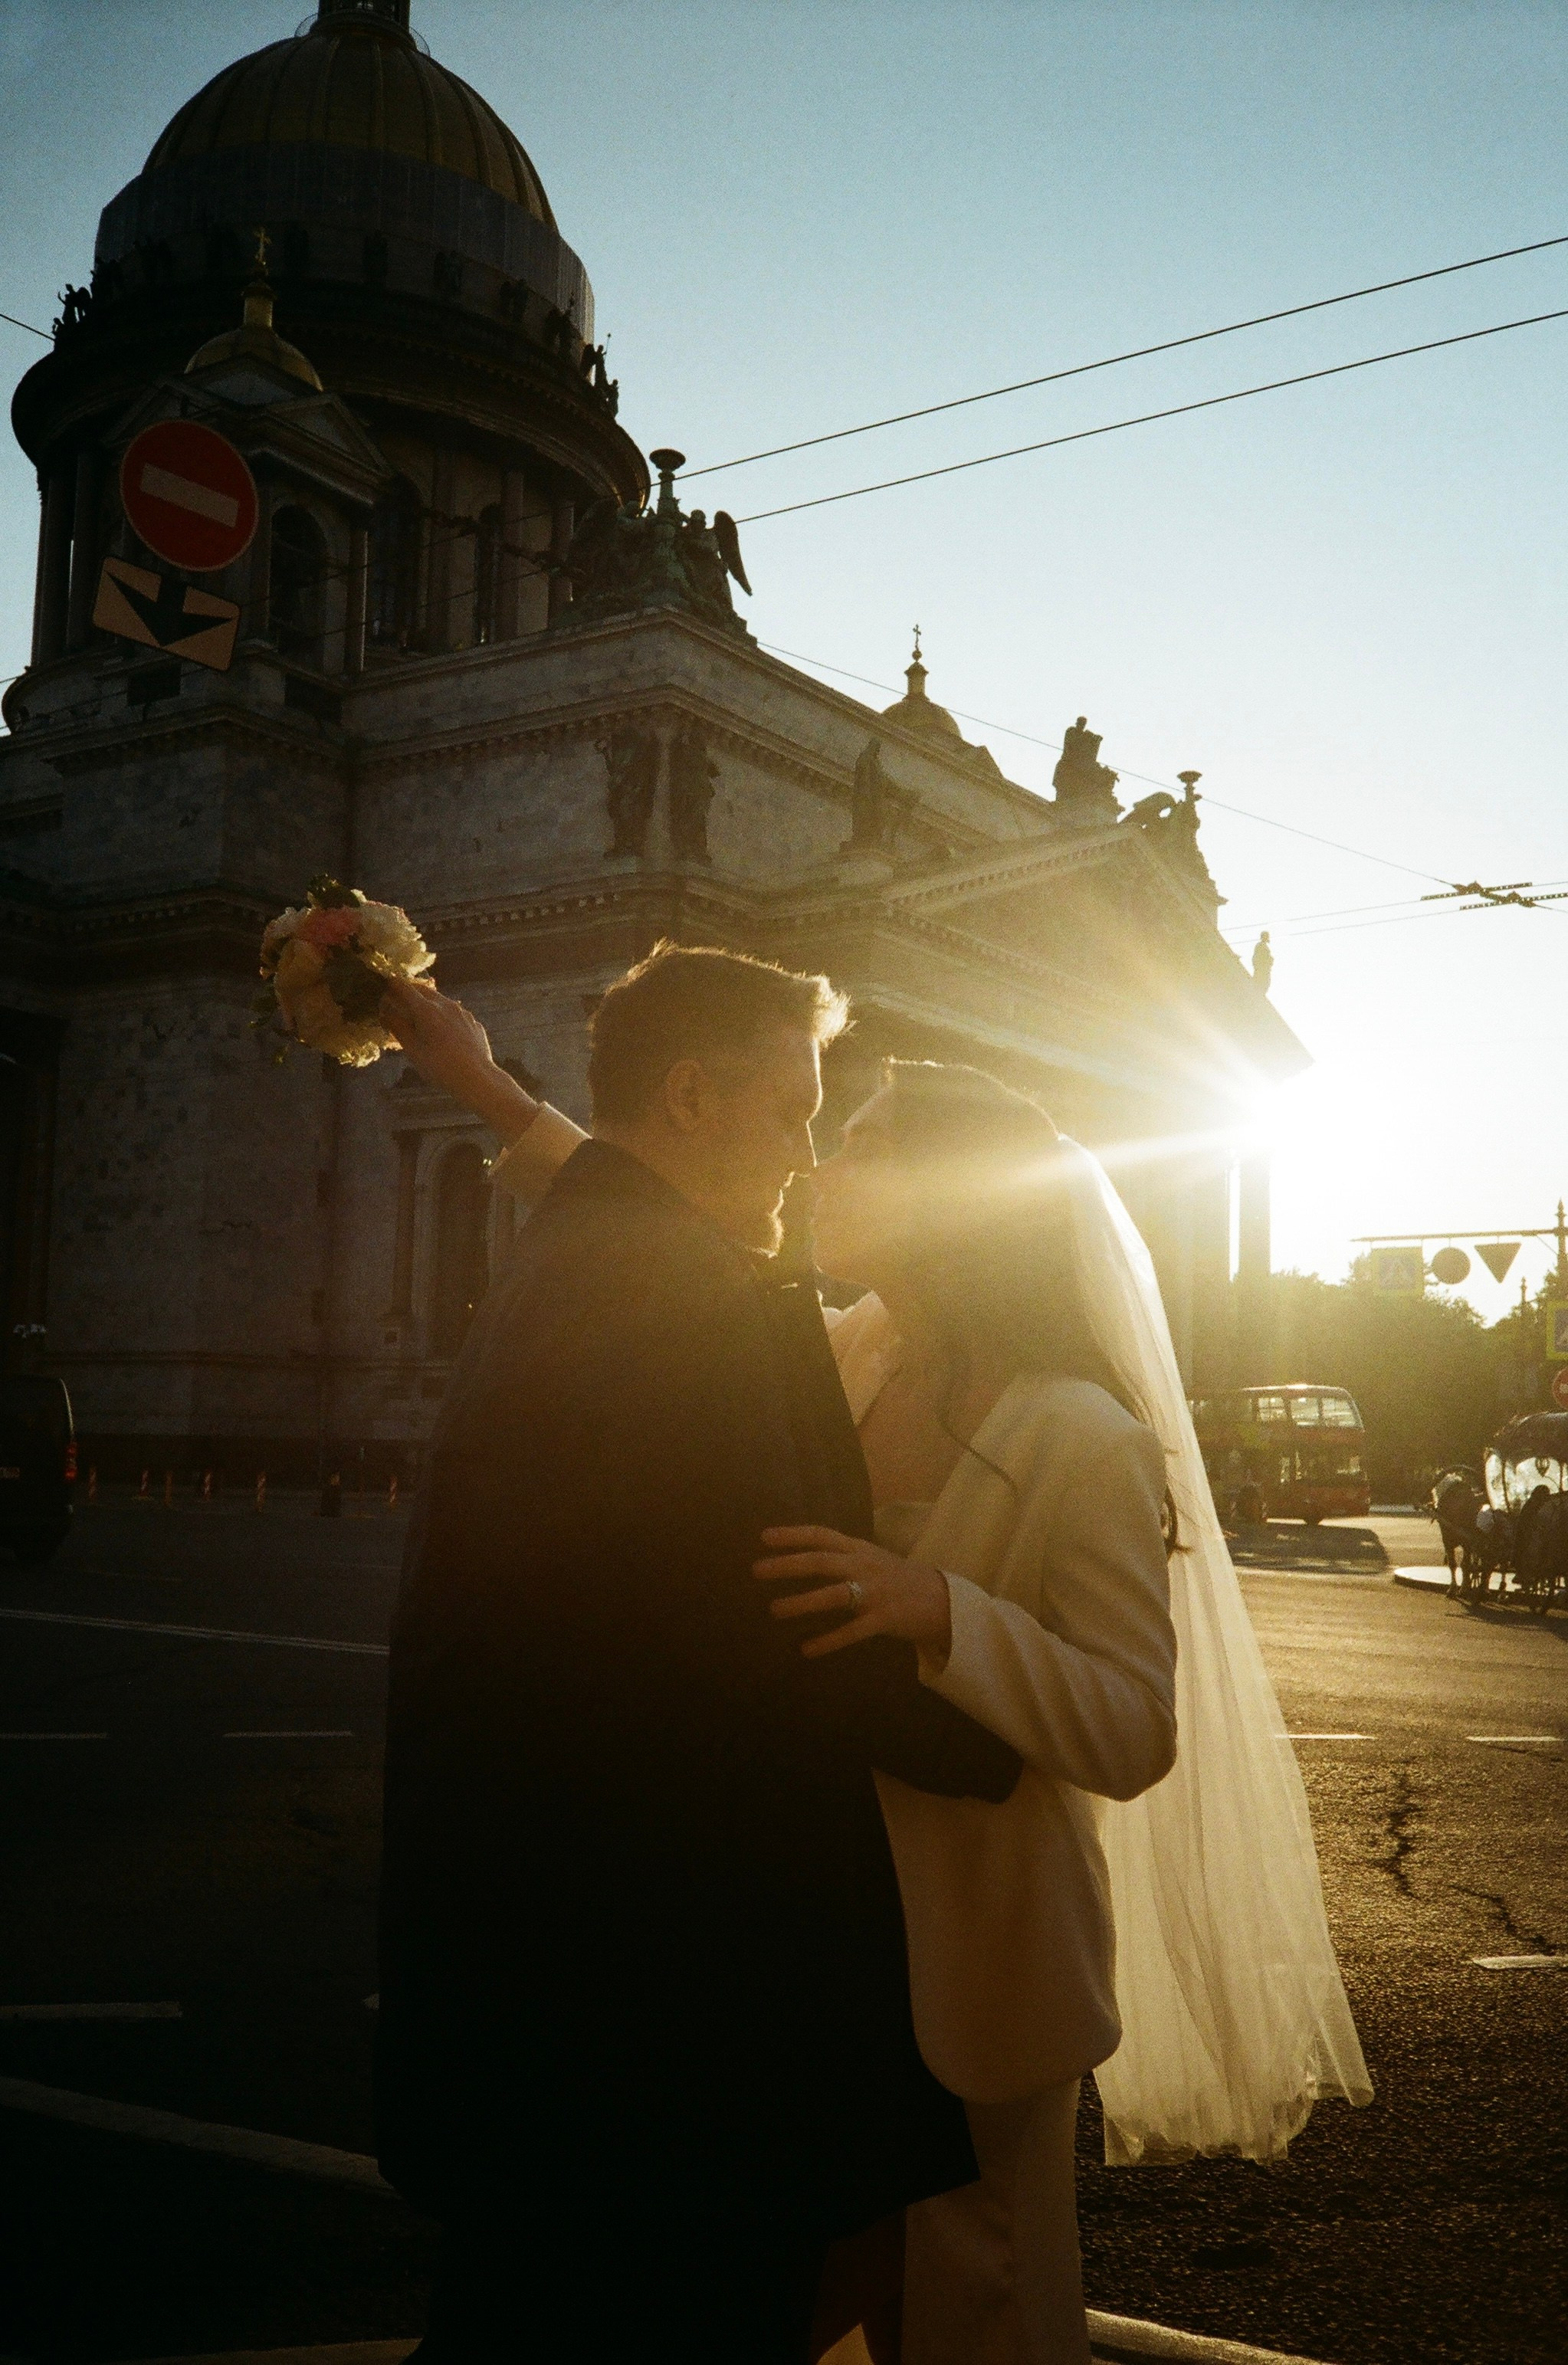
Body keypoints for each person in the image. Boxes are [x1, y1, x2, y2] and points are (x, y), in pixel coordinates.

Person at [383, 954, 1372, 2363]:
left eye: (850, 1140)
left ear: (951, 1204)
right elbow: (647, 1226)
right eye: (806, 1121)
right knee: (812, 2303)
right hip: (829, 1956)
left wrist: (944, 1613)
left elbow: (1132, 1724)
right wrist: (476, 1077)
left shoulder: (1078, 1434)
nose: (816, 1157)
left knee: (977, 2310)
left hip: (981, 1956)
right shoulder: (846, 1347)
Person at [376, 946, 1023, 2363]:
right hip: (668, 2014)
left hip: (535, 1978)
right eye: (793, 1109)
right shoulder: (696, 1309)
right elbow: (780, 1615)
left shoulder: (576, 1250)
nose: (804, 1150)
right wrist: (994, 1740)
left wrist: (478, 1078)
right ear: (689, 1097)